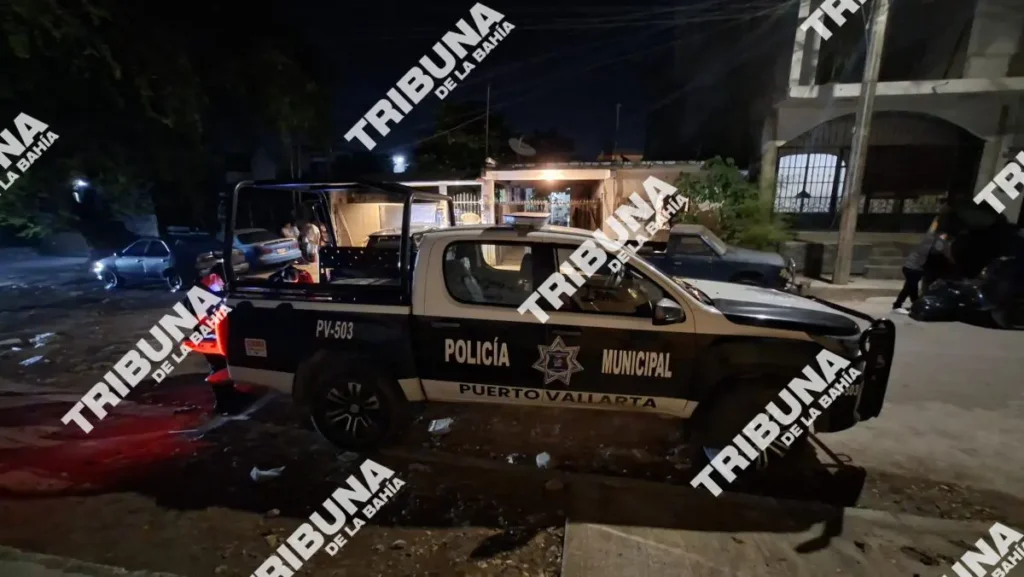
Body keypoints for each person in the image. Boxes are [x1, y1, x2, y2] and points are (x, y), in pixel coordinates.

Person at [892, 228, 954, 314]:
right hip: (913, 267)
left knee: (912, 287)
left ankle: (915, 304)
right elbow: (941, 252)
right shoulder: (936, 242)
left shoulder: (931, 239)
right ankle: (897, 305)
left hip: (912, 267)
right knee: (909, 287)